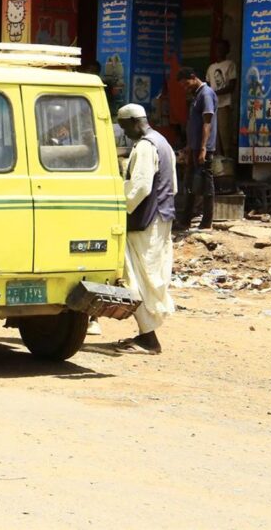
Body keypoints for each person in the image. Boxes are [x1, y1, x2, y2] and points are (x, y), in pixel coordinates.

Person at [114, 104, 178, 354]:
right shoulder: (163, 142)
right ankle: (147, 334)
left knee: (135, 276)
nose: (125, 133)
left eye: (124, 127)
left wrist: (119, 204)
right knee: (152, 275)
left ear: (133, 122)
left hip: (146, 222)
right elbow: (172, 185)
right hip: (162, 218)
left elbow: (140, 187)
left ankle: (148, 338)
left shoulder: (144, 146)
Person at [176, 66, 217, 230]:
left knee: (206, 185)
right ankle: (185, 219)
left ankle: (207, 222)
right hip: (194, 147)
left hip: (203, 149)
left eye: (186, 84)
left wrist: (203, 148)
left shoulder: (206, 94)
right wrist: (189, 145)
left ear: (193, 77)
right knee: (190, 184)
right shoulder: (197, 95)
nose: (185, 88)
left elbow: (207, 123)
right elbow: (194, 124)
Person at [207, 40, 238, 158]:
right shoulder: (211, 67)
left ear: (227, 50)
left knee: (225, 133)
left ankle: (227, 160)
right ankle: (217, 161)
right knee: (214, 135)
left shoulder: (230, 64)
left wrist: (214, 94)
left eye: (222, 48)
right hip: (212, 106)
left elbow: (232, 86)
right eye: (217, 48)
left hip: (224, 104)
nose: (219, 50)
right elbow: (208, 85)